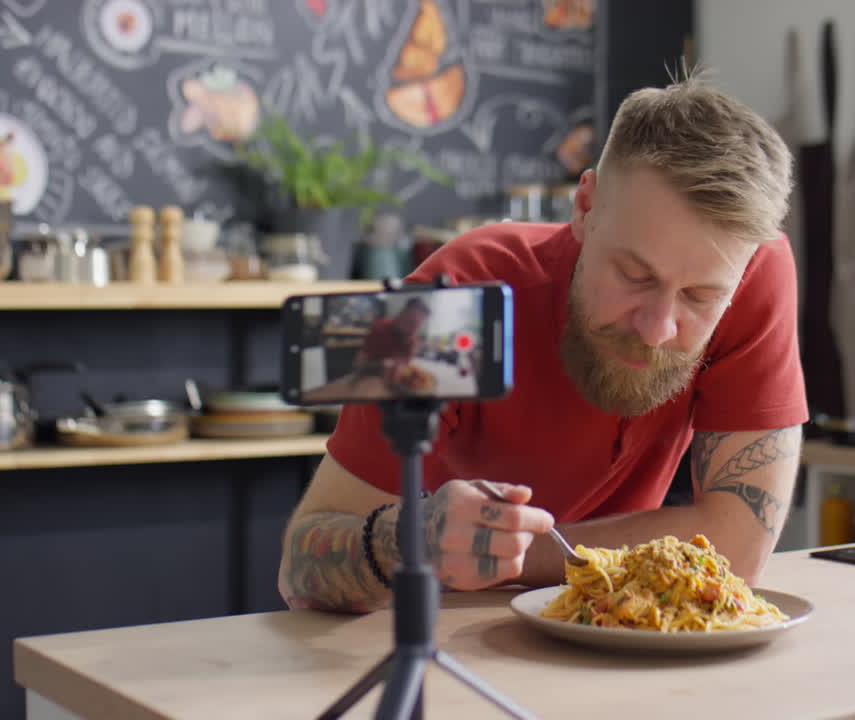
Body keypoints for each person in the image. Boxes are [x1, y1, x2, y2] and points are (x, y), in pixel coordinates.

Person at [279, 69, 806, 613]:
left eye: (699, 298)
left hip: (614, 623)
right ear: (585, 209)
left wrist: (511, 554)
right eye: (634, 275)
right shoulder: (463, 290)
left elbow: (739, 547)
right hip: (429, 629)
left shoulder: (752, 269)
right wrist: (415, 540)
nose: (657, 329)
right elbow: (300, 571)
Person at [351, 297, 431, 388]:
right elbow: (358, 364)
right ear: (402, 314)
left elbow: (405, 367)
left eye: (417, 326)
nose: (413, 330)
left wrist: (410, 349)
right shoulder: (380, 328)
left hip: (394, 388)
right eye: (411, 322)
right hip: (368, 384)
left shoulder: (412, 339)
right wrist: (381, 364)